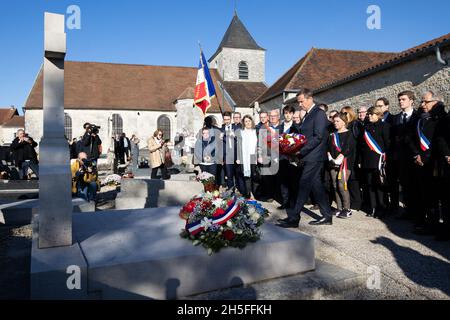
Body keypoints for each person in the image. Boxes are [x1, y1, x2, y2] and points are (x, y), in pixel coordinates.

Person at [278, 89, 333, 228]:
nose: (300, 104)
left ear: (310, 99)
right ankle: (327, 216)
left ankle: (294, 218)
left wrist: (301, 150)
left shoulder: (319, 114)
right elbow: (304, 136)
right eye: (298, 102)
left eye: (301, 101)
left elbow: (319, 136)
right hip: (308, 156)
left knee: (303, 185)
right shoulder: (308, 115)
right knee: (317, 186)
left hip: (314, 157)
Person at [408, 91, 447, 235]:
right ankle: (430, 224)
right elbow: (411, 138)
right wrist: (416, 154)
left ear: (436, 102)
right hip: (420, 162)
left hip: (435, 163)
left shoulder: (441, 119)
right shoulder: (420, 120)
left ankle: (439, 226)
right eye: (422, 102)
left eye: (426, 102)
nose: (422, 105)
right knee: (426, 195)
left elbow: (439, 142)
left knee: (438, 196)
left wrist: (426, 157)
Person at [388, 91, 419, 218]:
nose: (400, 101)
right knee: (405, 185)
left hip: (416, 156)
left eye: (403, 99)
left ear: (411, 100)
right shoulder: (396, 118)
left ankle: (418, 212)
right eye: (399, 99)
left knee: (417, 186)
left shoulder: (418, 116)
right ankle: (408, 211)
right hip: (401, 158)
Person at [360, 106, 390, 219]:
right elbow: (363, 145)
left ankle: (382, 208)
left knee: (380, 185)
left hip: (379, 161)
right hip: (368, 161)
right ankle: (373, 207)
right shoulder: (366, 127)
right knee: (370, 185)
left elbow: (387, 143)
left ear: (378, 115)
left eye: (371, 114)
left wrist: (386, 160)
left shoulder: (385, 126)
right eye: (368, 114)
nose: (369, 116)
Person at [327, 113, 356, 219]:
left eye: (338, 121)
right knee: (335, 185)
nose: (335, 123)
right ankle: (339, 208)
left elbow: (348, 149)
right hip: (332, 162)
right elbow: (328, 147)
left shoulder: (349, 134)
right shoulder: (332, 135)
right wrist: (329, 155)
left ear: (344, 122)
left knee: (341, 185)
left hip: (344, 164)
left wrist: (340, 158)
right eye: (334, 121)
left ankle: (347, 209)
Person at [340, 106, 363, 211]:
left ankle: (357, 203)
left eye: (345, 113)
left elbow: (358, 141)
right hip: (346, 155)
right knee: (348, 180)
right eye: (342, 114)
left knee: (354, 180)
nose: (343, 115)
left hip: (354, 155)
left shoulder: (355, 124)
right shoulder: (346, 125)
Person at [278, 105, 299, 209]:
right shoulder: (280, 127)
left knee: (293, 180)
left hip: (292, 157)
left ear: (292, 114)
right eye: (286, 113)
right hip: (281, 157)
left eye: (290, 113)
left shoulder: (297, 127)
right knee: (283, 180)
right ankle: (285, 202)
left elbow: (300, 141)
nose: (287, 115)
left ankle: (294, 202)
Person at [221, 111, 246, 194]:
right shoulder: (221, 129)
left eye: (228, 119)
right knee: (229, 176)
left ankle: (242, 193)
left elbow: (243, 139)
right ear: (223, 120)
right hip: (227, 156)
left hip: (237, 155)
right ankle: (231, 193)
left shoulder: (236, 128)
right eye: (225, 119)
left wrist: (235, 136)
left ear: (231, 119)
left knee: (239, 175)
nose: (227, 121)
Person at [436, 104, 450, 241]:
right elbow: (441, 138)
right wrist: (447, 154)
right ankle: (446, 229)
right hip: (447, 163)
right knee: (446, 199)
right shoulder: (447, 118)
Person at [238, 115, 258, 199]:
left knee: (254, 176)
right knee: (247, 176)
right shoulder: (241, 133)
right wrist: (238, 158)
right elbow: (239, 146)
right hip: (244, 157)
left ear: (252, 121)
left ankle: (255, 193)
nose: (248, 123)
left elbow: (259, 145)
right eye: (246, 121)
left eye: (249, 121)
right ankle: (248, 194)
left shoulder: (255, 131)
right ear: (244, 123)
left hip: (253, 156)